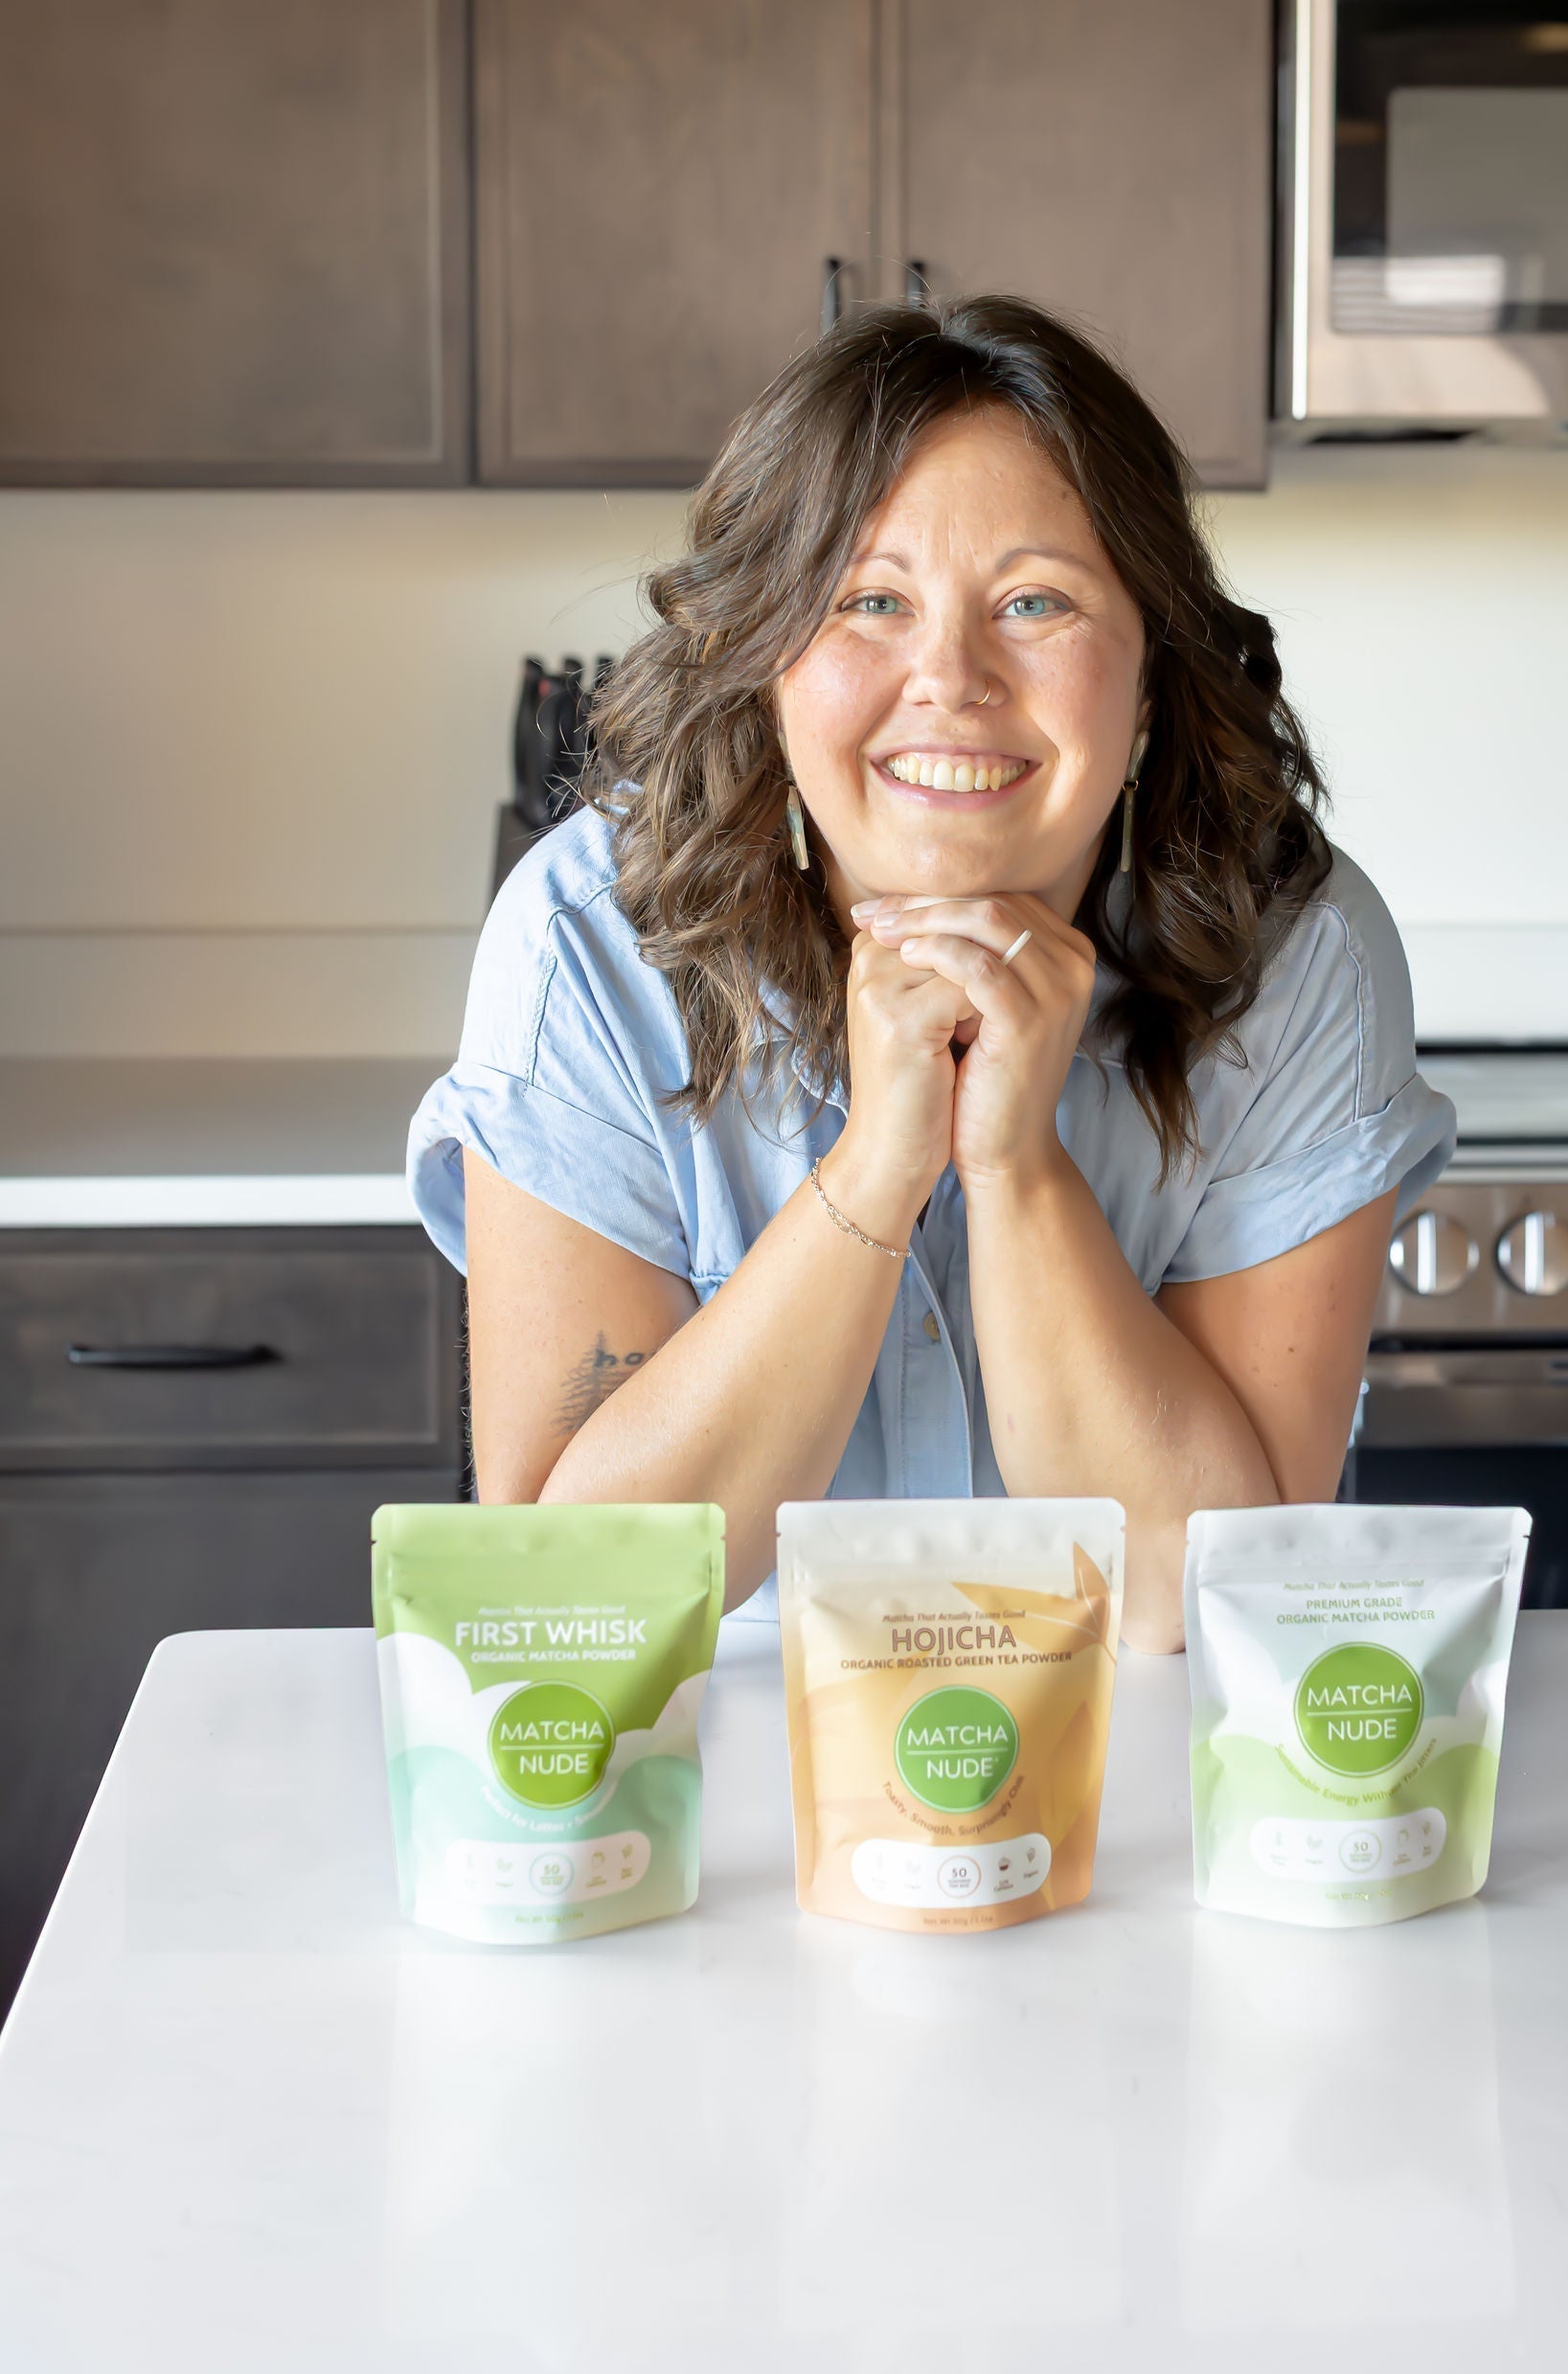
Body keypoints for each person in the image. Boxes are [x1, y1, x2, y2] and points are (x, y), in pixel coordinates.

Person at [409, 297, 1452, 1647]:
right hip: (716, 1794)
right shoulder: (588, 944)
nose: (949, 678)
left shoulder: (1296, 954)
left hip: (1131, 1784)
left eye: (1036, 601)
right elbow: (569, 1591)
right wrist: (877, 1170)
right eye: (870, 602)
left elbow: (1199, 1594)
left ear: (1147, 685)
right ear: (764, 665)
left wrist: (1015, 1168)